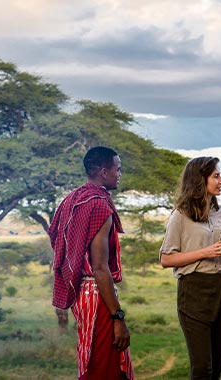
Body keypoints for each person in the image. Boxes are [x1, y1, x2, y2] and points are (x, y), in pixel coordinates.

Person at [49, 146, 134, 380]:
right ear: (104, 172)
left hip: (80, 295)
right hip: (98, 296)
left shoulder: (72, 200)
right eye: (118, 169)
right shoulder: (98, 204)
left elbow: (57, 240)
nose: (120, 174)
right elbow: (99, 267)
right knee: (104, 367)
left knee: (94, 359)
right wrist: (118, 317)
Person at [160, 156, 221, 380]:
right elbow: (166, 259)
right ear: (199, 180)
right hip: (194, 290)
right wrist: (205, 252)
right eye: (216, 176)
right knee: (203, 367)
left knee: (218, 363)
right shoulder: (180, 216)